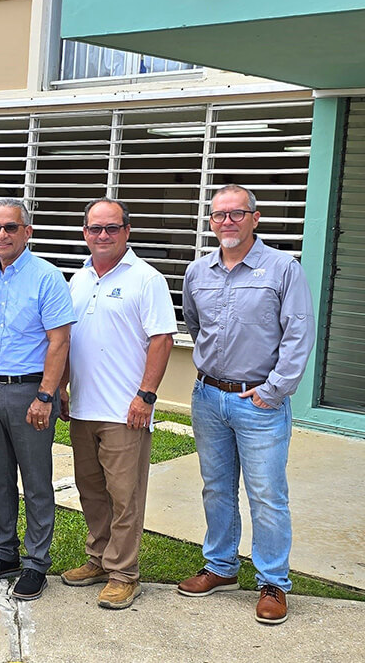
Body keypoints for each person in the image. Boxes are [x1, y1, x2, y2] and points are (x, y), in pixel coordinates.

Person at [178, 184, 315, 625]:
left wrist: (272, 389)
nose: (227, 222)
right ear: (211, 222)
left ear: (255, 218)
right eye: (219, 215)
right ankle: (220, 567)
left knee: (267, 495)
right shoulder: (198, 271)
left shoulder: (282, 269)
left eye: (237, 214)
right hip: (208, 396)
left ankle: (273, 581)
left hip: (259, 402)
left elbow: (299, 333)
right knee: (216, 487)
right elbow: (194, 324)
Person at [61, 198, 176, 609]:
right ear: (85, 233)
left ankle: (125, 574)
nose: (103, 235)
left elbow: (162, 339)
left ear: (127, 231)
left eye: (111, 228)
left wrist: (145, 396)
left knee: (126, 496)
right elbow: (67, 341)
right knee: (91, 491)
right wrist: (60, 387)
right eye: (95, 228)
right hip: (82, 408)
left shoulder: (147, 279)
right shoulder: (78, 279)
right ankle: (98, 558)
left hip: (125, 411)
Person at [0, 199, 74, 601]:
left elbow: (60, 341)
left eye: (10, 227)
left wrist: (47, 395)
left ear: (27, 232)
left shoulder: (47, 278)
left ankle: (35, 563)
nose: (1, 235)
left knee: (36, 481)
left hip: (32, 390)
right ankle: (4, 552)